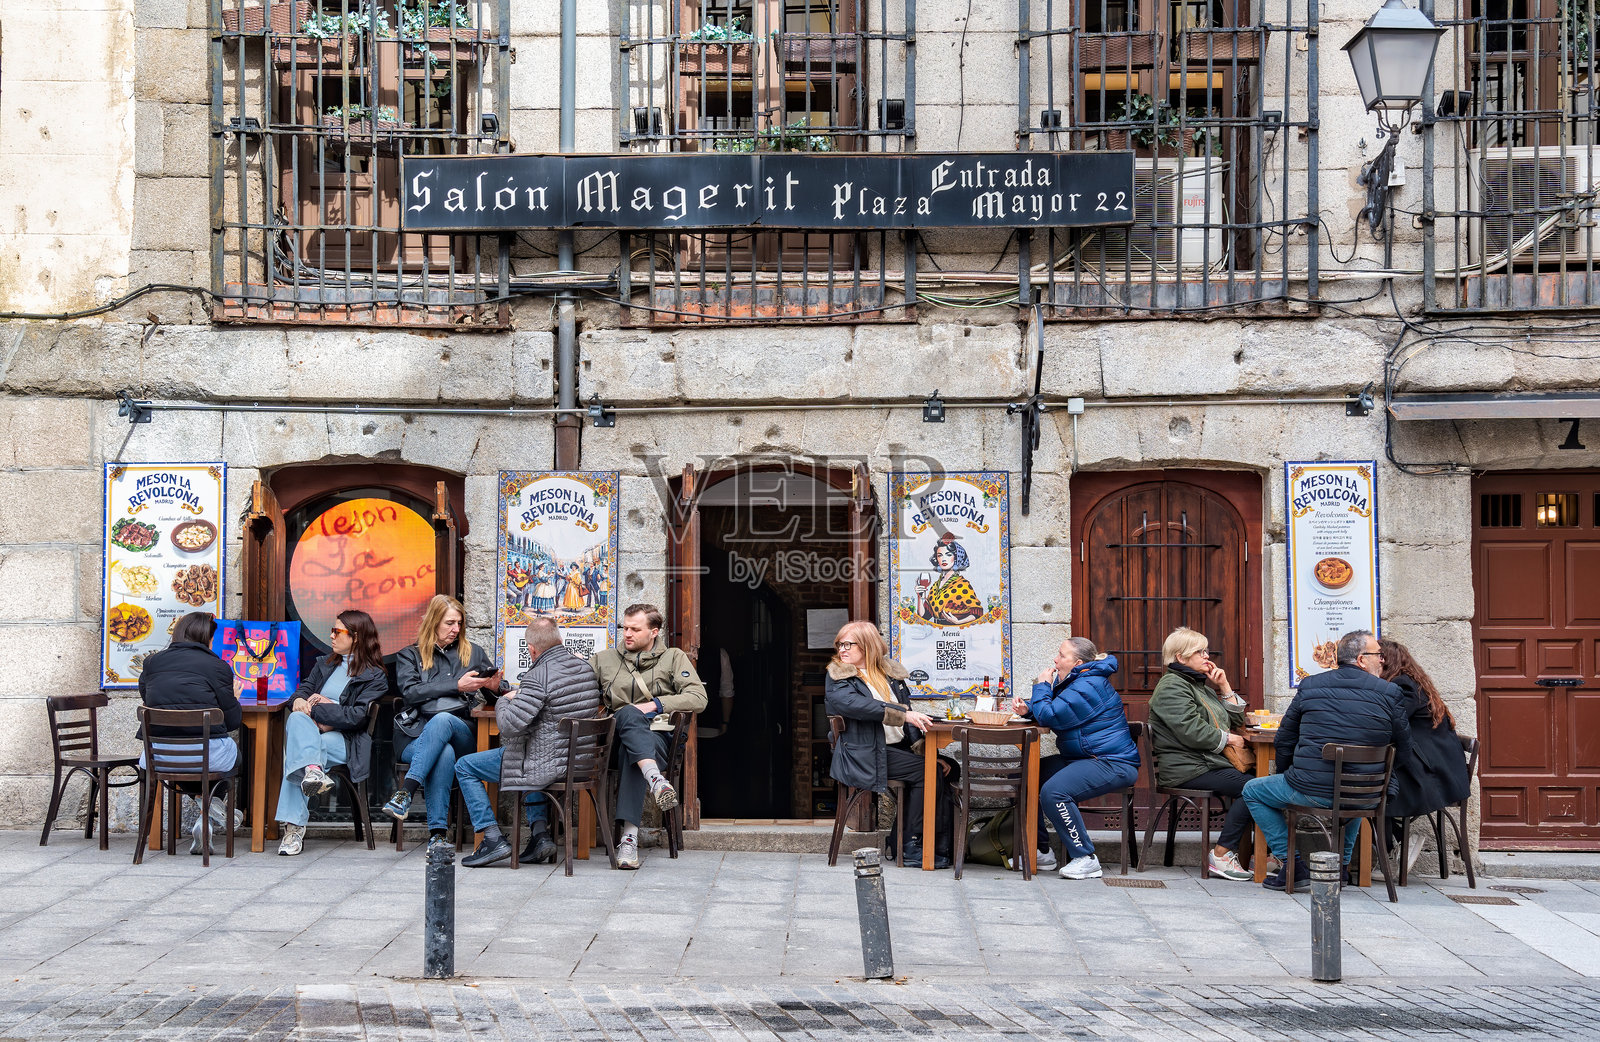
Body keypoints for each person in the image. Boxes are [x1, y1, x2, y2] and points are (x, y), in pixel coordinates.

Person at [1242, 629, 1412, 890]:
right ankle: (1341, 869)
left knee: (1252, 790)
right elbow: (1404, 748)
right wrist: (1378, 777)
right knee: (1353, 788)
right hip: (1367, 792)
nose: (1383, 660)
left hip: (1312, 790)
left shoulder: (1310, 685)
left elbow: (1284, 739)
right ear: (1361, 659)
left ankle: (1293, 866)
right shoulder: (1390, 692)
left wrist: (1290, 777)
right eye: (1378, 654)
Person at [455, 618, 603, 867]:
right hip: (581, 763)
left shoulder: (537, 676)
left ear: (532, 650)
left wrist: (504, 700)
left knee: (465, 766)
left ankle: (492, 838)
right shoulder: (585, 668)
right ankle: (540, 836)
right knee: (530, 750)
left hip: (548, 765)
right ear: (560, 640)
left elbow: (509, 725)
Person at [824, 620, 956, 868]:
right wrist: (903, 714)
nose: (842, 649)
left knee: (948, 767)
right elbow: (856, 705)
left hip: (893, 750)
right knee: (927, 771)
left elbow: (909, 721)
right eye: (840, 644)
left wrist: (926, 751)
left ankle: (930, 844)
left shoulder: (888, 675)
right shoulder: (839, 677)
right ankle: (912, 845)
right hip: (862, 754)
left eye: (848, 644)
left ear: (867, 645)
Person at [590, 603, 707, 869]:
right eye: (625, 628)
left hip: (658, 739)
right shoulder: (604, 659)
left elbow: (699, 698)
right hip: (613, 740)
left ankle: (629, 840)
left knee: (633, 750)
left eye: (635, 629)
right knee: (628, 718)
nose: (627, 634)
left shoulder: (674, 657)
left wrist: (655, 705)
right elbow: (574, 685)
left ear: (654, 632)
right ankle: (655, 780)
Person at [382, 596, 506, 844]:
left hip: (461, 732)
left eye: (459, 623)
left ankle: (405, 793)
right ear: (434, 622)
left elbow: (495, 693)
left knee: (443, 721)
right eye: (450, 623)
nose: (456, 629)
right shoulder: (410, 655)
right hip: (415, 735)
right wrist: (456, 685)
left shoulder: (473, 652)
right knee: (443, 752)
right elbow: (410, 693)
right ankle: (438, 835)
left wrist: (494, 687)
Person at [1016, 636, 1139, 879]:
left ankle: (1085, 858)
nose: (1055, 659)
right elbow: (1060, 710)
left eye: (1062, 655)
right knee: (1026, 775)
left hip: (1112, 763)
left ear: (1078, 662)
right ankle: (1041, 851)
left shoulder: (1090, 684)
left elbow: (1051, 715)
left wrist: (1042, 685)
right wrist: (1029, 709)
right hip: (1084, 758)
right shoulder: (1078, 681)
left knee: (1054, 792)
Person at [1146, 627, 1259, 881]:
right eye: (1200, 651)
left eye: (1206, 650)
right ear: (1180, 657)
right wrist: (1228, 738)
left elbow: (1235, 720)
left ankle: (1263, 855)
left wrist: (1225, 686)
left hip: (1206, 764)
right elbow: (1191, 731)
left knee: (1262, 784)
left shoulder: (1199, 686)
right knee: (1254, 788)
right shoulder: (1172, 686)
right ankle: (1221, 854)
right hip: (1188, 769)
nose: (1207, 656)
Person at [276, 610, 389, 856]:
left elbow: (356, 717)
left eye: (337, 631)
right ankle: (313, 771)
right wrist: (298, 701)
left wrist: (319, 708)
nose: (331, 636)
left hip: (346, 741)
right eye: (332, 630)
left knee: (297, 756)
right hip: (314, 735)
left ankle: (293, 829)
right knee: (297, 721)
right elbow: (301, 692)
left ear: (356, 637)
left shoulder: (374, 676)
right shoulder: (325, 665)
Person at [136, 611, 244, 853]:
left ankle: (203, 807)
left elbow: (148, 700)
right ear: (206, 638)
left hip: (158, 756)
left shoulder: (151, 663)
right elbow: (232, 722)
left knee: (184, 761)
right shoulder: (218, 666)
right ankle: (209, 809)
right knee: (233, 756)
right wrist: (235, 699)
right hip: (204, 756)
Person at [1379, 637, 1470, 871]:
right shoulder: (1410, 681)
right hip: (1435, 765)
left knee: (1376, 788)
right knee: (1375, 785)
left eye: (1378, 658)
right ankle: (1395, 844)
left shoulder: (1403, 686)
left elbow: (1389, 725)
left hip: (1434, 773)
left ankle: (1396, 845)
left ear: (1386, 661)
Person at [918, 532, 984, 625]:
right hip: (937, 630)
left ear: (956, 557)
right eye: (940, 555)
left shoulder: (963, 584)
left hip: (957, 629)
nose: (943, 559)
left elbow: (977, 613)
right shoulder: (935, 586)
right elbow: (925, 616)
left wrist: (958, 622)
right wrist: (919, 596)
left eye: (948, 555)